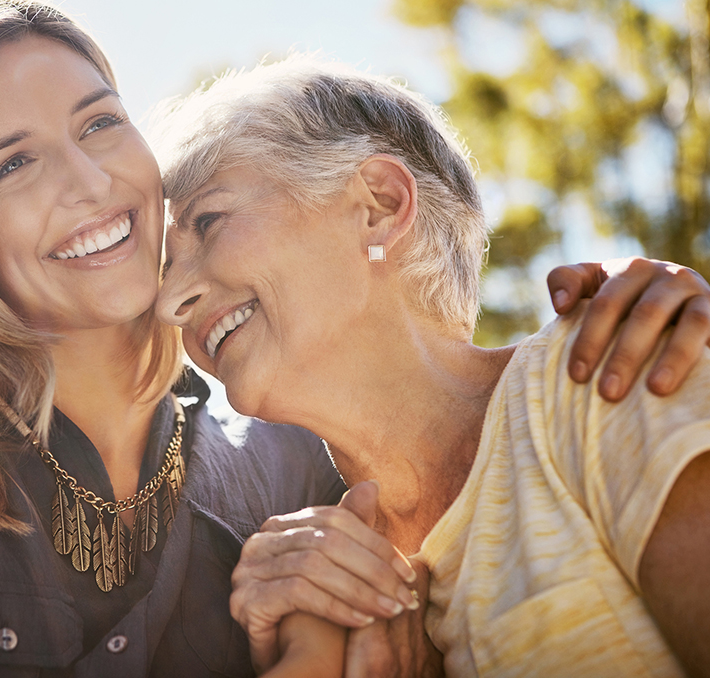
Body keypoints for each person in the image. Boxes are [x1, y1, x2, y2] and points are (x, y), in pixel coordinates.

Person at [0, 3, 709, 676]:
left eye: (210, 221)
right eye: (11, 164)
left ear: (377, 204)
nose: (172, 286)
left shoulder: (598, 387)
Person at [154, 56, 710, 677]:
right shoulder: (310, 586)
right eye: (162, 269)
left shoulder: (606, 373)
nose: (170, 301)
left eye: (208, 222)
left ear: (380, 206)